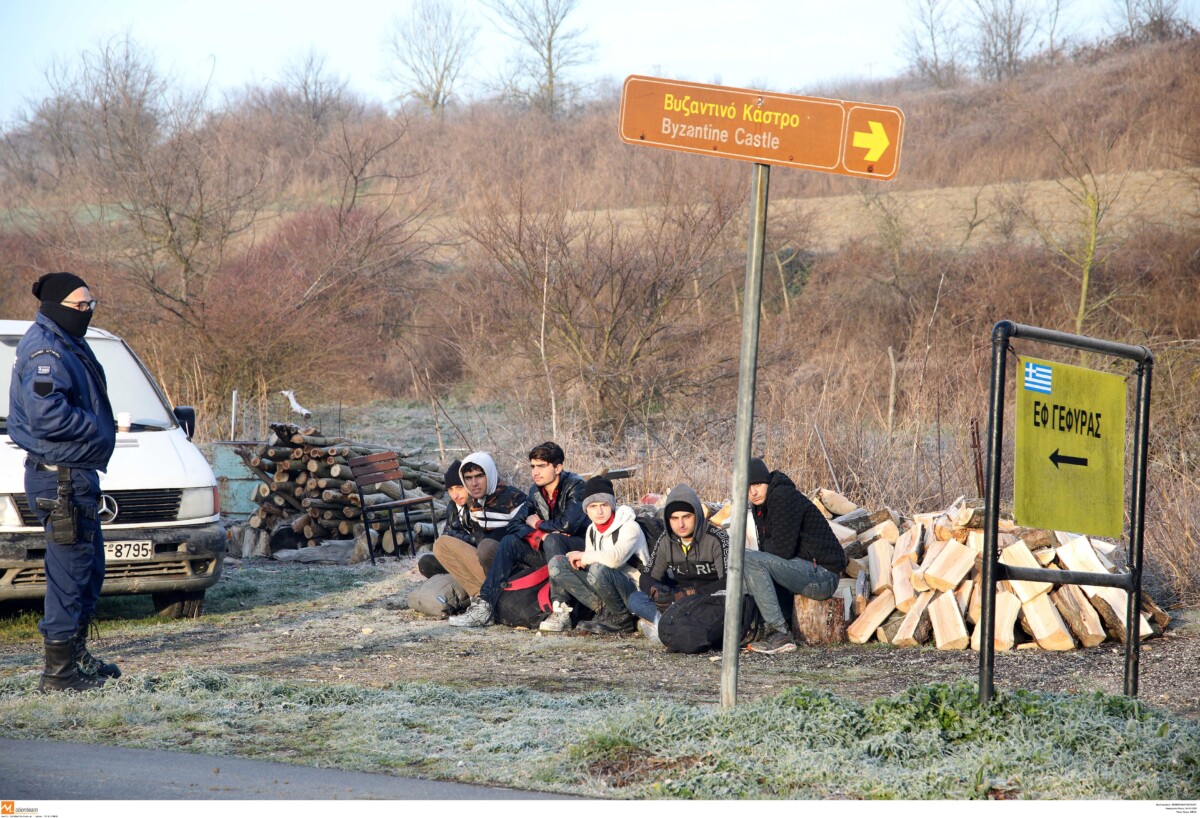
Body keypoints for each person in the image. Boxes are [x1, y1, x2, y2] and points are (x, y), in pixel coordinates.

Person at [8, 272, 119, 691]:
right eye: (80, 305)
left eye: (92, 304)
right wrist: (95, 426)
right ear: (58, 307)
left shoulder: (67, 341)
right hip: (61, 480)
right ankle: (58, 674)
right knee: (69, 575)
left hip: (75, 476)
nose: (88, 312)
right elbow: (46, 415)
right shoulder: (46, 348)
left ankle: (76, 656)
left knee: (89, 571)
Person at [449, 442, 586, 628]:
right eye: (532, 466)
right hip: (548, 549)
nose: (535, 472)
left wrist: (538, 524)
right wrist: (540, 536)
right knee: (510, 540)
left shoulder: (576, 486)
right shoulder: (535, 491)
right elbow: (515, 524)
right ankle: (485, 605)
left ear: (558, 467)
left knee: (553, 539)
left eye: (542, 466)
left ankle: (560, 610)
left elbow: (567, 525)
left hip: (577, 551)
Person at [742, 457, 848, 655]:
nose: (753, 492)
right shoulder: (761, 506)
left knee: (749, 559)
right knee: (750, 565)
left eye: (757, 484)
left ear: (767, 482)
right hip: (805, 571)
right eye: (747, 487)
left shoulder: (782, 496)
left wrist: (763, 559)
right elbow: (771, 552)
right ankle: (766, 628)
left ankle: (780, 634)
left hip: (823, 576)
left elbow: (782, 550)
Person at [539, 475, 648, 634]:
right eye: (593, 506)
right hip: (606, 589)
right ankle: (603, 612)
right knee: (558, 563)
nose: (599, 511)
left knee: (598, 568)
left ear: (611, 505)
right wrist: (578, 560)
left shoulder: (630, 526)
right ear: (586, 509)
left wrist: (584, 556)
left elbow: (614, 559)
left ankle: (622, 619)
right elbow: (592, 561)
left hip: (633, 591)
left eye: (604, 504)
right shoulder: (592, 530)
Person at [626, 484, 730, 646]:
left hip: (710, 600)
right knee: (635, 598)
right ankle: (671, 624)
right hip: (678, 602)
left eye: (686, 517)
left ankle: (663, 625)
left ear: (696, 515)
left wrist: (691, 594)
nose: (680, 524)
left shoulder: (717, 538)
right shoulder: (666, 540)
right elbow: (648, 576)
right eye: (674, 518)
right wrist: (657, 591)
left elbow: (729, 581)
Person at [432, 452, 527, 598]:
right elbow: (473, 538)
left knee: (485, 547)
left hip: (513, 568)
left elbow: (523, 543)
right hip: (485, 564)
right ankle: (479, 597)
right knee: (437, 550)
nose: (474, 483)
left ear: (489, 474)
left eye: (479, 476)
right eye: (468, 478)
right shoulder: (474, 503)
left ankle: (487, 594)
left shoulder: (514, 499)